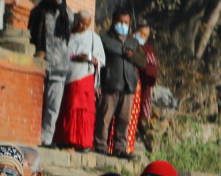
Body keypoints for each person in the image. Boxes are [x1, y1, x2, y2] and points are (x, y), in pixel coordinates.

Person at [29, 0, 72, 147]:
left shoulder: (67, 14)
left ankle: (46, 138)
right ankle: (32, 136)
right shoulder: (39, 12)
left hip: (60, 66)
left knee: (53, 106)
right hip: (40, 64)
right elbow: (32, 35)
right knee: (36, 103)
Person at [53, 13, 103, 151]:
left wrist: (94, 60)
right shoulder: (68, 36)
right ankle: (66, 139)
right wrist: (75, 56)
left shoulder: (94, 38)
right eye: (81, 23)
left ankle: (84, 142)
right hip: (70, 75)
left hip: (86, 76)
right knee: (70, 107)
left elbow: (101, 59)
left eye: (87, 24)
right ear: (76, 20)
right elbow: (61, 54)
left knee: (86, 110)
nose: (83, 26)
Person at [95, 8, 140, 157]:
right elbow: (99, 60)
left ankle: (120, 148)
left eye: (126, 22)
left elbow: (143, 62)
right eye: (120, 22)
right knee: (104, 117)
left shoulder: (133, 41)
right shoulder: (104, 39)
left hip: (128, 87)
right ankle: (100, 146)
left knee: (124, 120)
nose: (123, 25)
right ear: (113, 21)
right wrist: (98, 83)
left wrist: (133, 56)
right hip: (109, 83)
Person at [128, 20, 160, 151]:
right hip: (126, 85)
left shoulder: (148, 49)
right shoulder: (128, 43)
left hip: (141, 87)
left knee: (138, 117)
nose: (142, 36)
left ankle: (138, 145)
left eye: (145, 35)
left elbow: (152, 68)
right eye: (140, 33)